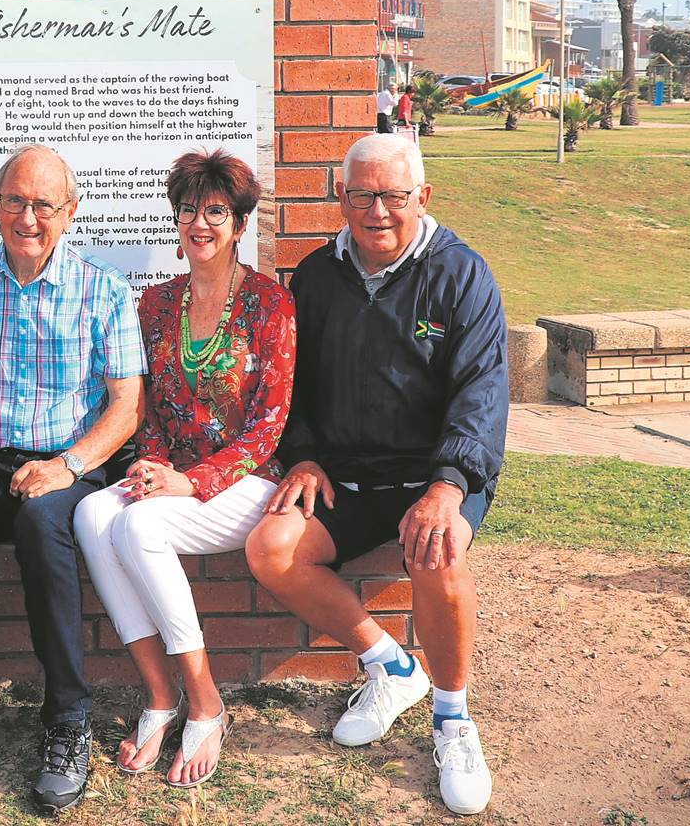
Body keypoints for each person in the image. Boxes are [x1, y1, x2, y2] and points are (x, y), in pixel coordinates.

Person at [245, 133, 507, 817]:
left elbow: (480, 392)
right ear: (341, 199)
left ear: (422, 196)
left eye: (392, 194)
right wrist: (300, 453)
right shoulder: (315, 276)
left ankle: (451, 719)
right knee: (269, 550)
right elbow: (293, 386)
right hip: (346, 475)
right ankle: (391, 667)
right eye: (360, 194)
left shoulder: (460, 274)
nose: (377, 210)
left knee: (438, 546)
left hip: (433, 474)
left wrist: (447, 488)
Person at [0, 144, 146, 812]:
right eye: (14, 199)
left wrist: (68, 465)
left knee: (47, 528)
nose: (27, 216)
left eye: (43, 204)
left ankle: (66, 719)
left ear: (69, 213)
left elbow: (126, 406)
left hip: (68, 463)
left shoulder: (101, 286)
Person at [73, 149, 294, 788]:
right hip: (172, 480)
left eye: (217, 211)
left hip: (248, 482)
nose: (200, 223)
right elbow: (152, 414)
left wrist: (191, 482)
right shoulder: (155, 305)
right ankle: (160, 697)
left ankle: (205, 702)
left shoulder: (269, 304)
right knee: (93, 513)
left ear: (240, 223)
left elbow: (268, 426)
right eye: (189, 210)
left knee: (139, 528)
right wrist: (154, 468)